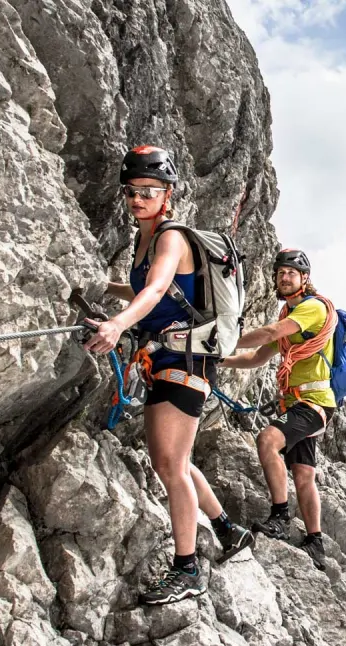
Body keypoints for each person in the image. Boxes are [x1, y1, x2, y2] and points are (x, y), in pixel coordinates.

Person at [82, 145, 255, 604]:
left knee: (169, 464)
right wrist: (104, 291)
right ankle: (227, 529)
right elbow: (146, 287)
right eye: (132, 191)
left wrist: (118, 324)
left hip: (186, 360)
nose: (138, 199)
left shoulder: (170, 237)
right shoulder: (147, 239)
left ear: (167, 194)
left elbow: (158, 288)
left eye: (149, 191)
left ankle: (188, 569)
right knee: (173, 456)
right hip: (169, 358)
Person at [220, 248, 335, 570]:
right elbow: (257, 357)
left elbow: (270, 333)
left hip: (312, 403)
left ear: (304, 279)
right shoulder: (291, 318)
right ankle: (315, 542)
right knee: (303, 473)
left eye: (291, 273)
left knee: (267, 440)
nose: (284, 278)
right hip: (303, 403)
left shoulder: (311, 308)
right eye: (280, 273)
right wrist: (218, 360)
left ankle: (281, 517)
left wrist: (224, 339)